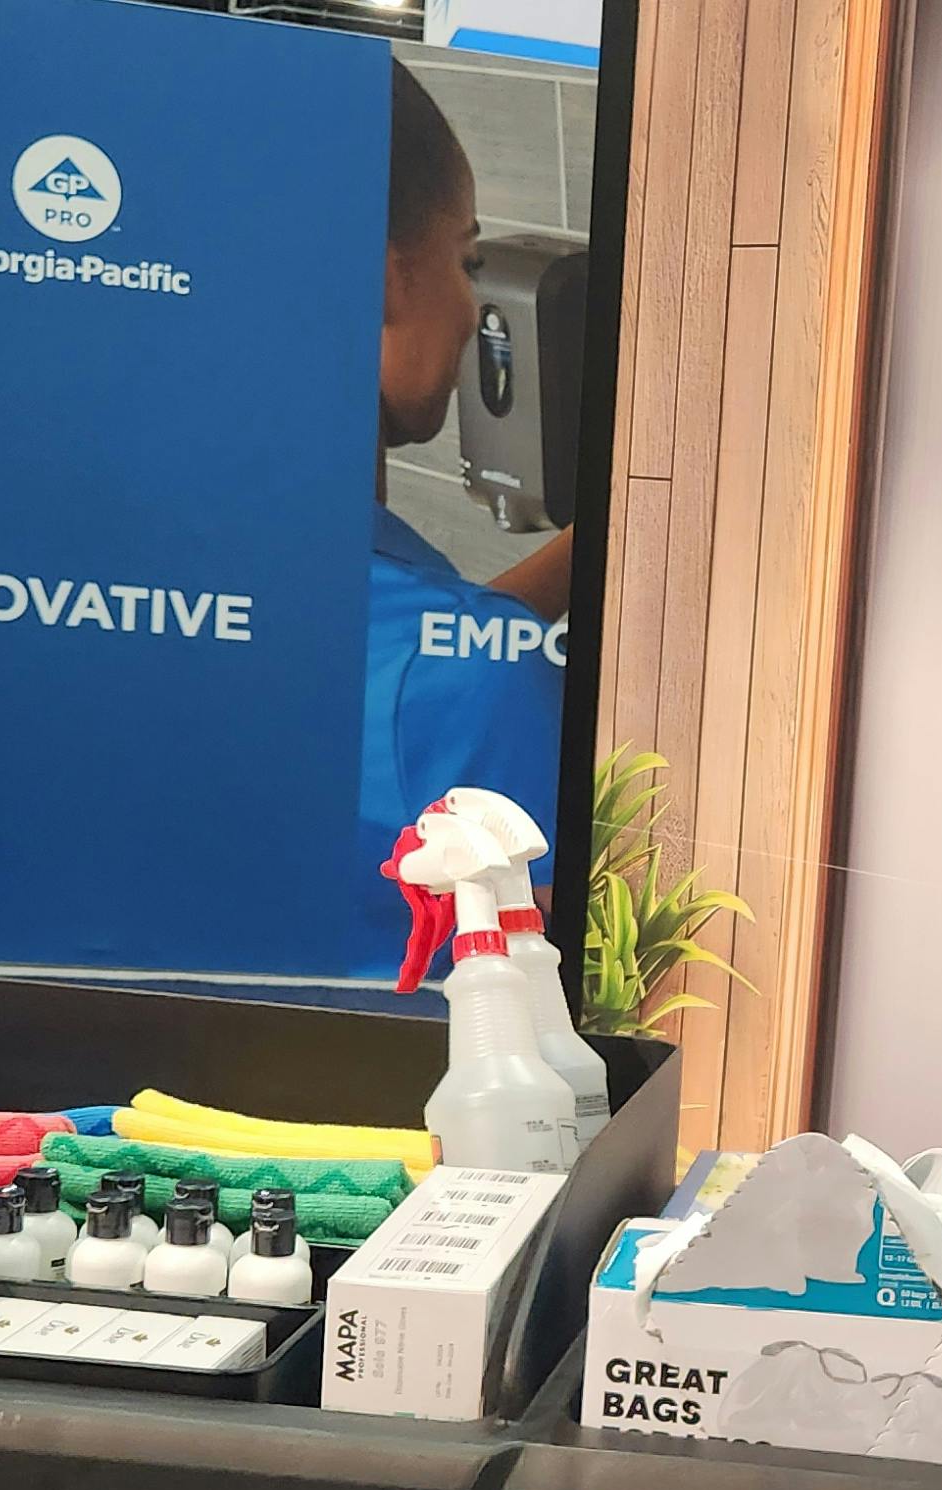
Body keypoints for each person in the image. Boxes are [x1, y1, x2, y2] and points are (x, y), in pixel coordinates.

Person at [342, 60, 568, 979]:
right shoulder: (478, 683)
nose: (476, 306)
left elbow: (400, 653)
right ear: (393, 280)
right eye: (465, 260)